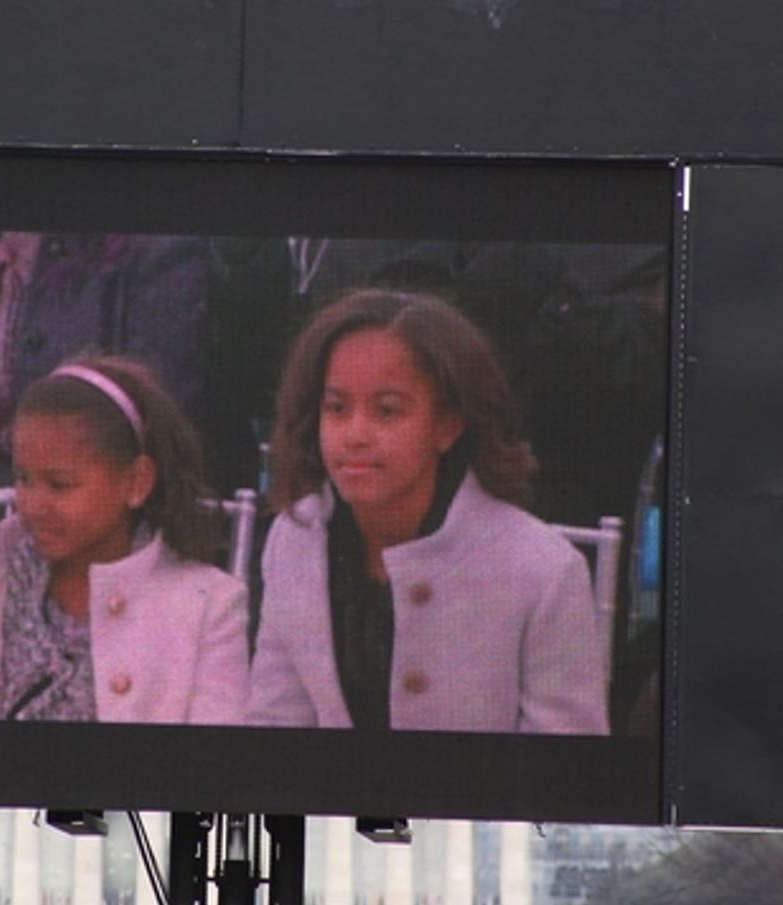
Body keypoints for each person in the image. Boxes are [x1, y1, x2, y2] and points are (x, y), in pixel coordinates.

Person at [246, 289, 608, 734]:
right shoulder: (295, 537)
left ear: (447, 425)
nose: (355, 434)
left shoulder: (543, 569)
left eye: (387, 411)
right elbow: (274, 721)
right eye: (336, 408)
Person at [0, 355, 248, 724]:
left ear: (137, 482)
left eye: (60, 485)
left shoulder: (208, 605)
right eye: (23, 479)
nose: (32, 505)